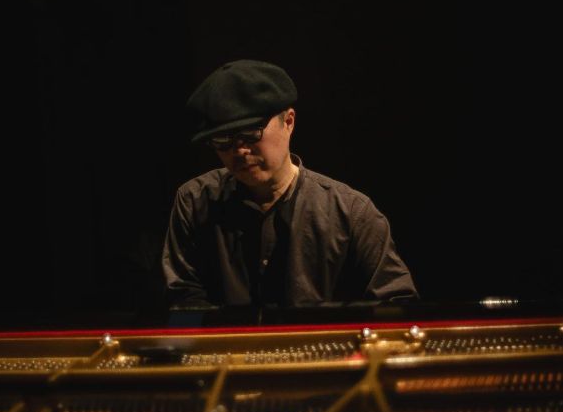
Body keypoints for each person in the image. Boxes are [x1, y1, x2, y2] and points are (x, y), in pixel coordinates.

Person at [162, 59, 417, 308]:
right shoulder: (194, 201)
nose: (239, 150)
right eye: (222, 140)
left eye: (250, 133)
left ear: (289, 122)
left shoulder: (352, 213)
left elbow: (397, 308)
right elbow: (182, 303)